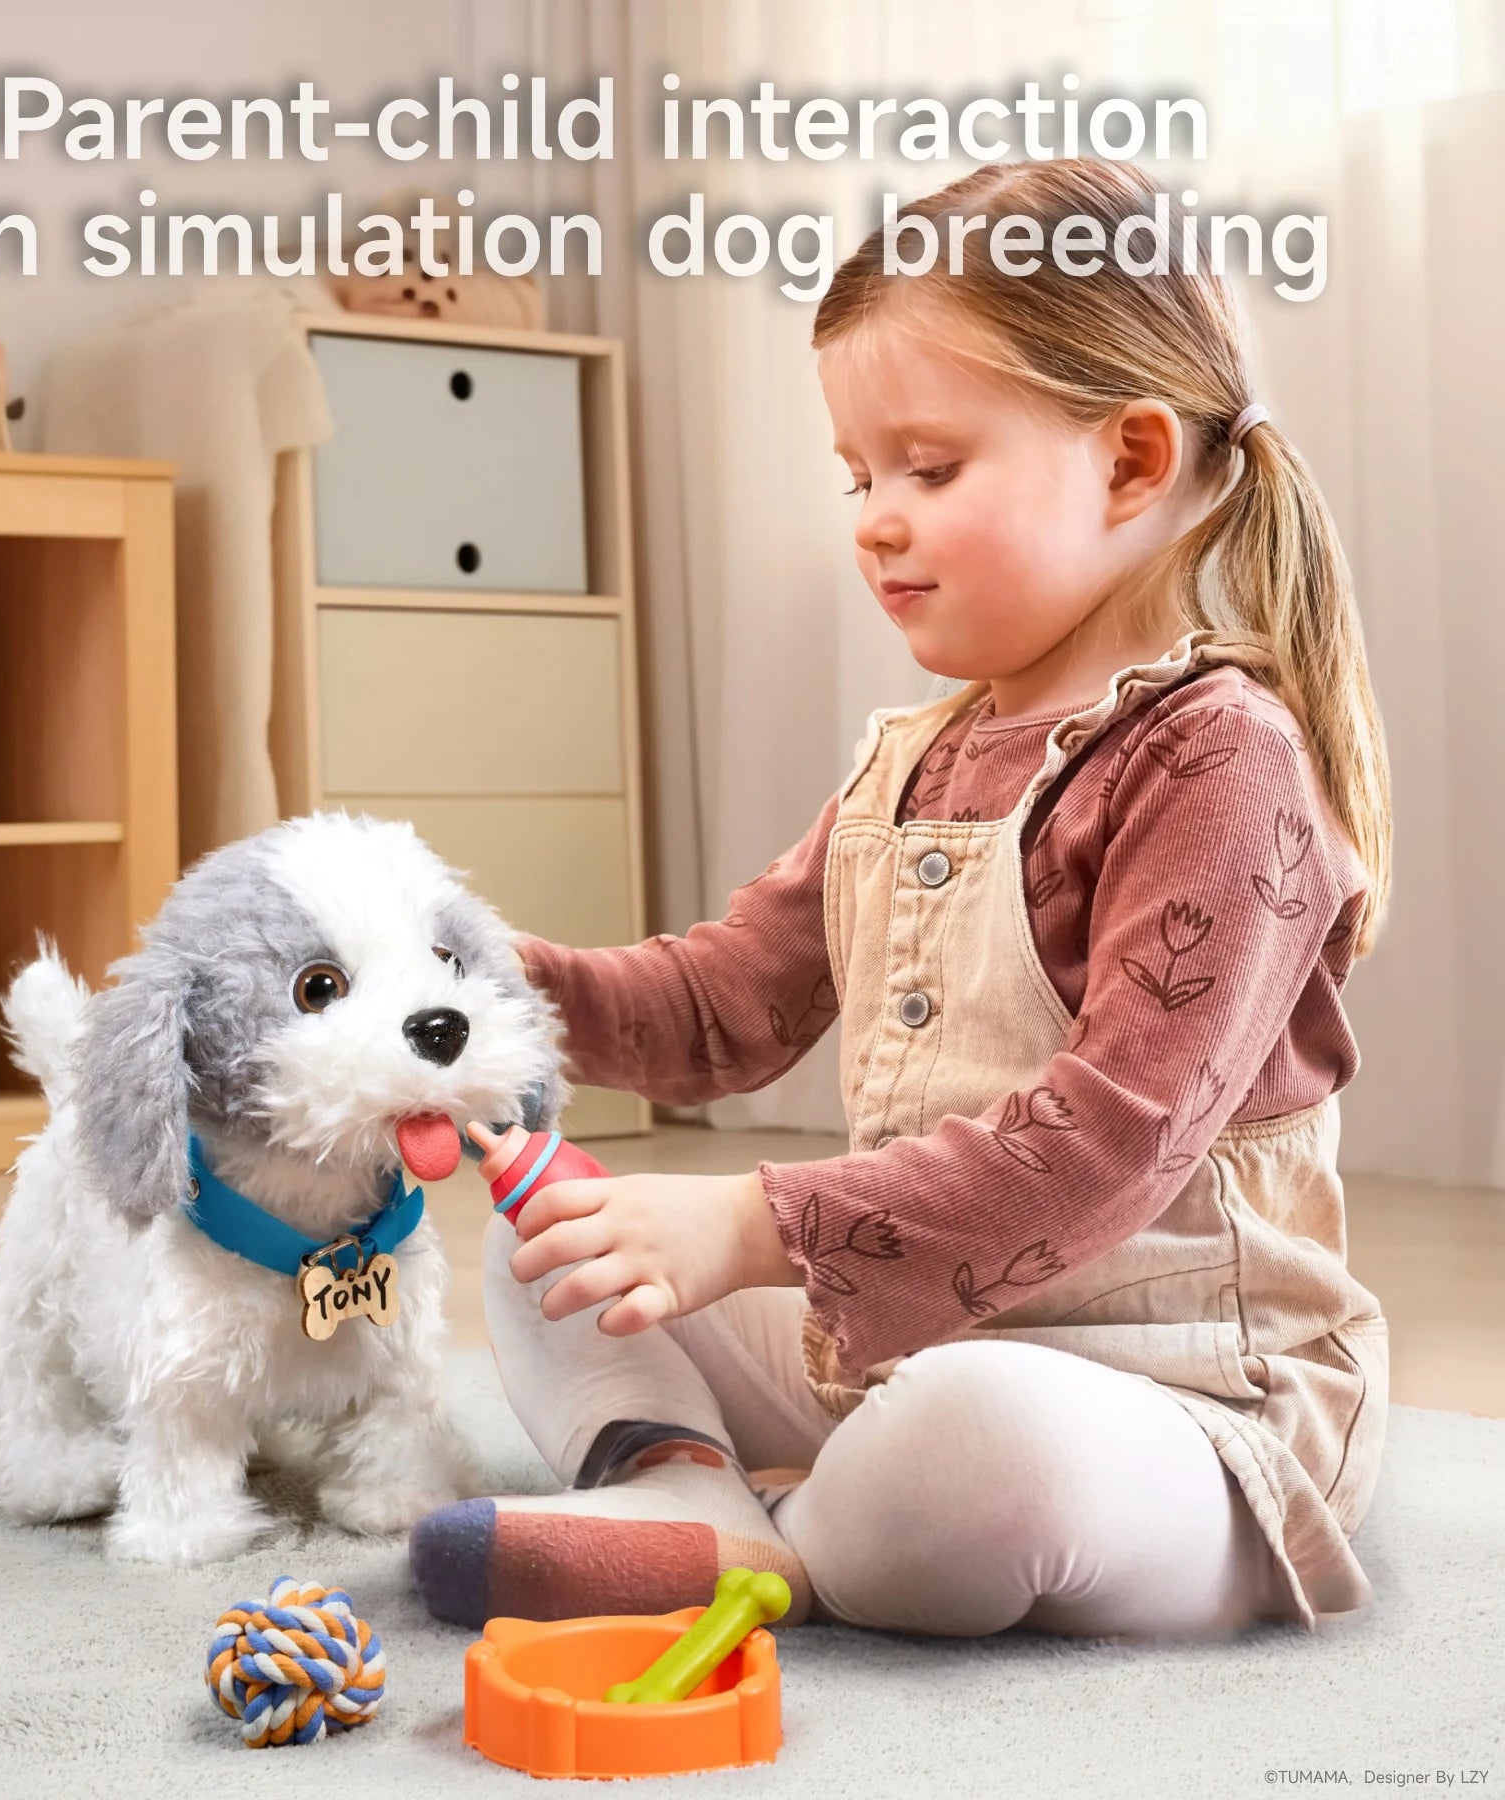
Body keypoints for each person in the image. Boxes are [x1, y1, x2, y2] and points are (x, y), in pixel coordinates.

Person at [409, 158, 1392, 1641]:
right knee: (552, 1227)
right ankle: (688, 1500)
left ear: (1132, 462)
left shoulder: (1224, 761)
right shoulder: (915, 761)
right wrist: (463, 995)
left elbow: (1105, 1148)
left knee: (971, 1447)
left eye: (928, 470)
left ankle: (795, 1549)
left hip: (1182, 1408)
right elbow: (720, 1007)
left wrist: (752, 1223)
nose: (874, 518)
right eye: (858, 477)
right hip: (901, 1342)